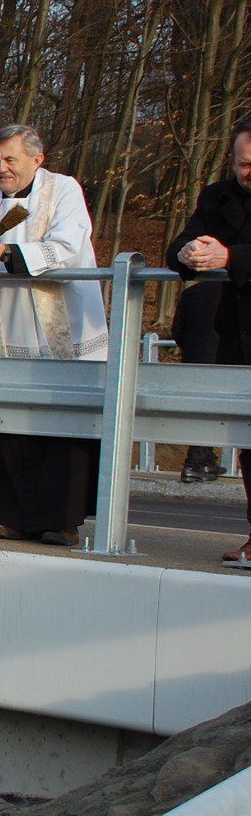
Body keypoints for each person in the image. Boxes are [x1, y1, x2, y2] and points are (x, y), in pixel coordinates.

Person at [0, 124, 106, 545]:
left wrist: (7, 253)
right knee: (4, 420)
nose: (1, 168)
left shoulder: (64, 190)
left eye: (10, 159)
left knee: (60, 424)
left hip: (59, 325)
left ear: (37, 158)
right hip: (3, 323)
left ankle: (62, 519)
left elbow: (69, 245)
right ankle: (10, 515)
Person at [166, 114, 251, 562]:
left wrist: (231, 256)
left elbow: (231, 255)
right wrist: (186, 252)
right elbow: (182, 240)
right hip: (236, 330)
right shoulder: (217, 196)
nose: (247, 172)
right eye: (242, 164)